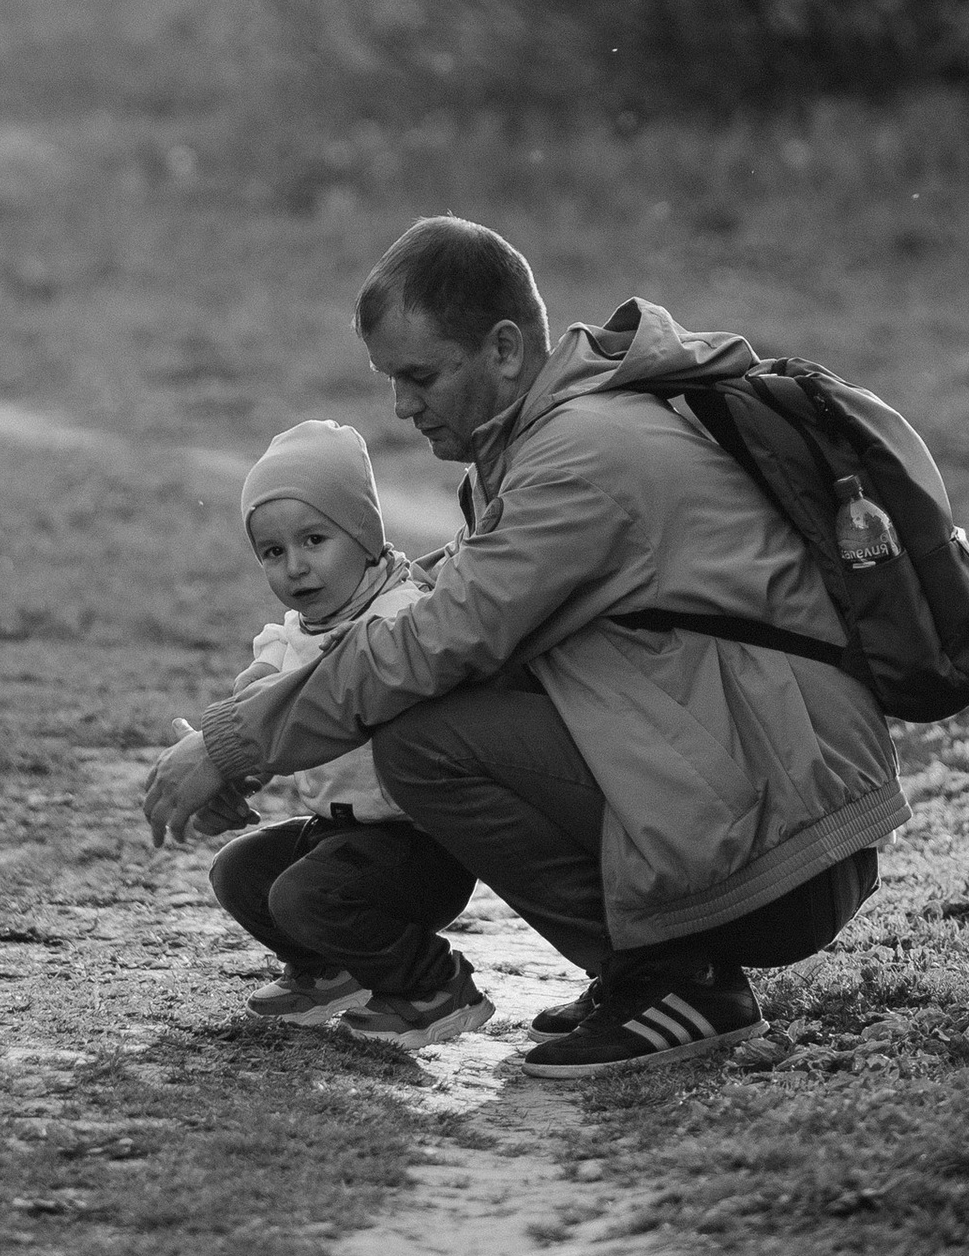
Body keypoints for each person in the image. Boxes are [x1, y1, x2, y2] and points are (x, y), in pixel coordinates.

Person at [143, 218, 905, 1081]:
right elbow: (436, 613)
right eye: (393, 380)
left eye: (421, 375)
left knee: (427, 740)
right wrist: (262, 723)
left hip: (785, 835)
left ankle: (675, 980)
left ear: (504, 350)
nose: (403, 405)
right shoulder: (547, 441)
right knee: (437, 714)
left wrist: (235, 742)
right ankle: (655, 970)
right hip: (764, 792)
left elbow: (434, 641)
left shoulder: (579, 459)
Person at [204, 417, 491, 1049]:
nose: (296, 567)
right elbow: (257, 702)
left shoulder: (402, 616)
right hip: (343, 835)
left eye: (314, 540)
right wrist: (220, 768)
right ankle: (329, 970)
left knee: (308, 895)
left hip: (419, 845)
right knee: (241, 872)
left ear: (363, 536)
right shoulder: (294, 632)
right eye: (274, 553)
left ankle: (433, 985)